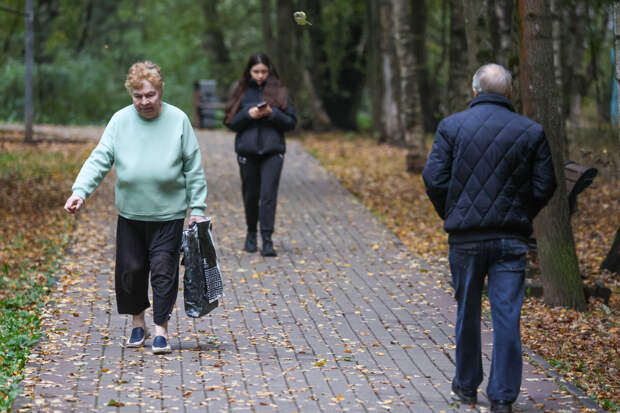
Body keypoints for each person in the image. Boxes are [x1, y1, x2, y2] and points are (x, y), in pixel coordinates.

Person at [422, 63, 557, 413]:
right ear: (509, 93)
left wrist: (451, 213)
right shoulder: (531, 130)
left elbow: (434, 178)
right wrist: (522, 215)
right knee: (507, 316)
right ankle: (502, 397)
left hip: (465, 239)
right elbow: (545, 185)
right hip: (510, 239)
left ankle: (466, 388)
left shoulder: (451, 127)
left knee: (467, 312)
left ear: (475, 91)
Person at [64, 61, 207, 355]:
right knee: (131, 271)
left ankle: (161, 331)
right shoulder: (120, 121)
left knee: (164, 272)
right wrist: (80, 191)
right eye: (138, 96)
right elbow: (100, 157)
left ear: (160, 91)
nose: (145, 102)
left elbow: (193, 167)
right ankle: (137, 322)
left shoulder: (178, 120)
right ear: (131, 95)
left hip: (168, 214)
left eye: (150, 95)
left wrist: (198, 207)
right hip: (130, 214)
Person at [224, 52, 297, 257]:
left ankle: (267, 239)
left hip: (272, 151)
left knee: (268, 196)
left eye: (264, 71)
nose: (260, 75)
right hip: (247, 151)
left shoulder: (280, 92)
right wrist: (248, 115)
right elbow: (230, 123)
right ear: (249, 72)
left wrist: (273, 113)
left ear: (269, 71)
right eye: (256, 71)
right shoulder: (241, 92)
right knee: (251, 195)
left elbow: (292, 122)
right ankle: (250, 234)